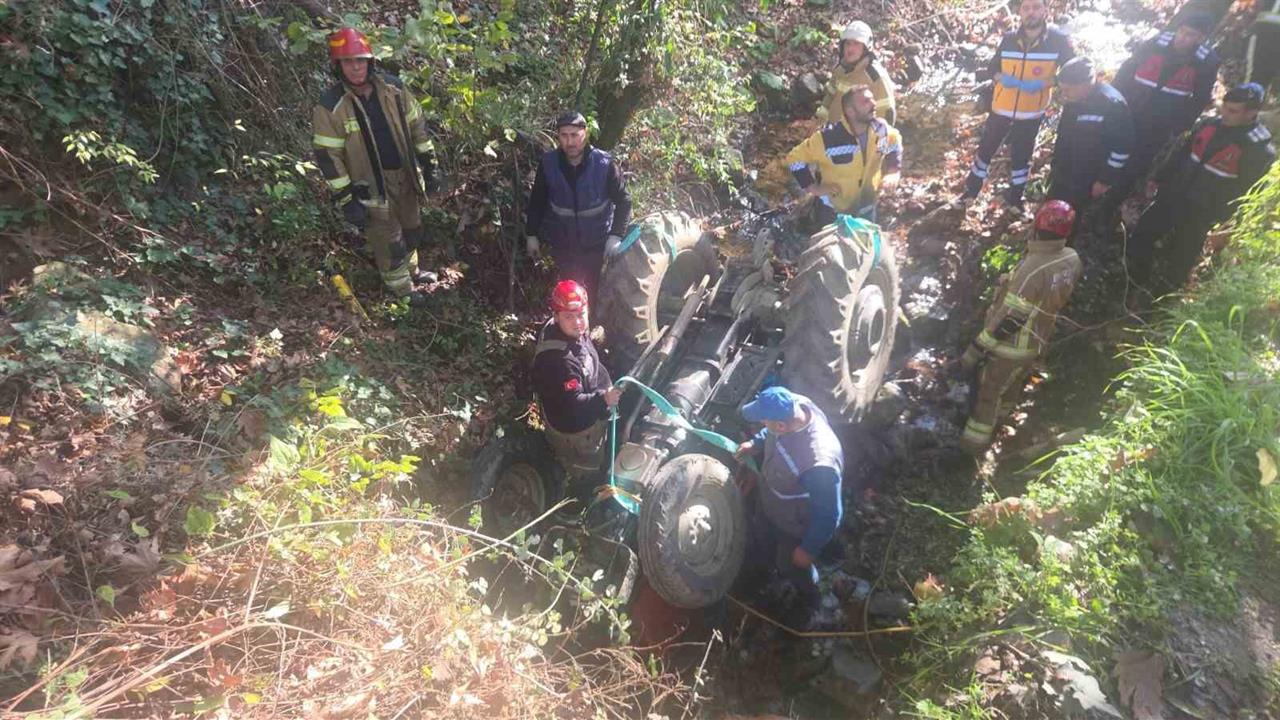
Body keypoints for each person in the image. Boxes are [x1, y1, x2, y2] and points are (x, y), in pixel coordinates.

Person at [311, 27, 439, 307]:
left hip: (404, 176)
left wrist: (429, 164)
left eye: (360, 60)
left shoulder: (394, 89)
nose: (355, 67)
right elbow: (328, 158)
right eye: (348, 62)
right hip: (368, 186)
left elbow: (418, 126)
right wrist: (346, 200)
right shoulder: (331, 106)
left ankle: (412, 272)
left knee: (411, 228)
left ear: (370, 61)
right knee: (388, 239)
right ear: (338, 66)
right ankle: (402, 292)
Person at [1126, 83, 1277, 298]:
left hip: (1203, 212)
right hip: (1174, 196)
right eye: (1224, 107)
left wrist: (1228, 223)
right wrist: (1159, 177)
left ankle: (1161, 301)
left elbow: (1249, 193)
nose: (1225, 114)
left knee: (1181, 257)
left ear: (1252, 113)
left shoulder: (1257, 150)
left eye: (1233, 111)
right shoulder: (1209, 125)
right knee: (1142, 234)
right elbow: (1182, 154)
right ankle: (1134, 280)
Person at [959, 201, 1082, 453]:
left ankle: (972, 448)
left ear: (1037, 227)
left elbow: (1011, 319)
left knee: (988, 392)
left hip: (1011, 347)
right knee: (1013, 385)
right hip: (1038, 341)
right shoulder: (1071, 259)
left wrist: (976, 348)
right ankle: (1001, 422)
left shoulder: (1033, 269)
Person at [733, 386, 844, 629]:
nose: (763, 423)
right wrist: (756, 442)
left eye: (764, 420)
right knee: (763, 537)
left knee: (791, 564)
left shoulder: (818, 463)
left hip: (795, 523)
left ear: (781, 426)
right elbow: (770, 433)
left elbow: (829, 514)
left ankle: (811, 599)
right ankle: (766, 571)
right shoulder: (796, 404)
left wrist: (807, 549)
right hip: (772, 501)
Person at [961, 0, 1074, 207]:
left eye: (1036, 7)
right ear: (1020, 12)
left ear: (1045, 10)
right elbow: (992, 67)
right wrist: (1000, 78)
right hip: (1001, 107)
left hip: (1031, 112)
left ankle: (1015, 200)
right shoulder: (1009, 39)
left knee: (1022, 156)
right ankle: (970, 192)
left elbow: (1071, 72)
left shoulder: (1058, 40)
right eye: (1026, 8)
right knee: (986, 150)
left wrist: (1044, 83)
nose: (1031, 12)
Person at [525, 113, 632, 304]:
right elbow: (537, 201)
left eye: (575, 135)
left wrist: (616, 236)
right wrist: (531, 235)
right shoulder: (549, 164)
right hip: (564, 247)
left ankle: (595, 328)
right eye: (564, 136)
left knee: (596, 296)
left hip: (598, 246)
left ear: (585, 134)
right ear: (558, 137)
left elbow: (624, 201)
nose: (570, 142)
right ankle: (572, 332)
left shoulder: (604, 164)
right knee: (571, 298)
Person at [1113, 12, 1219, 186]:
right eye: (1181, 32)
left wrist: (1179, 127)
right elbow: (1127, 70)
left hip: (1161, 122)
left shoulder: (1206, 62)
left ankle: (1118, 195)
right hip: (1131, 108)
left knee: (1137, 163)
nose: (1182, 38)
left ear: (1200, 39)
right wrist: (1114, 100)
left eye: (1190, 35)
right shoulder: (1156, 44)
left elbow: (1200, 99)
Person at [532, 280, 622, 482]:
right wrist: (604, 399)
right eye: (569, 317)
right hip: (579, 431)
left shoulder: (566, 331)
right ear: (556, 316)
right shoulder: (561, 362)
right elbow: (573, 404)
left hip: (586, 395)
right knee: (592, 471)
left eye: (581, 314)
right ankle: (585, 489)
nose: (578, 323)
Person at [786, 85, 903, 224]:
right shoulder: (827, 138)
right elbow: (794, 159)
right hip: (833, 210)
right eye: (866, 101)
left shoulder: (881, 130)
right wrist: (813, 188)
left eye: (872, 99)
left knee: (864, 243)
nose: (873, 103)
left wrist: (893, 171)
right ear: (850, 111)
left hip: (867, 205)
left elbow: (894, 143)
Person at [1046, 57, 1133, 239]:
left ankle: (1064, 248)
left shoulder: (1111, 105)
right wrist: (1055, 165)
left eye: (1068, 89)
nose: (1064, 94)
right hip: (1066, 169)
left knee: (1071, 216)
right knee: (1051, 208)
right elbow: (1064, 137)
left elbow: (1121, 149)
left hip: (1088, 175)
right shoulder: (1074, 101)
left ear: (1085, 84)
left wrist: (1104, 180)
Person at [817, 21, 897, 126]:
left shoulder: (875, 76)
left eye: (856, 44)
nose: (850, 49)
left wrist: (872, 139)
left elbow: (887, 114)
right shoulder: (840, 70)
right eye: (848, 43)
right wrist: (819, 120)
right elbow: (829, 96)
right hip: (833, 132)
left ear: (866, 48)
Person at [1247, 0, 1280, 92]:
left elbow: (1257, 6)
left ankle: (1248, 98)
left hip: (1263, 32)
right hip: (1264, 32)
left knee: (1255, 74)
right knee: (1266, 75)